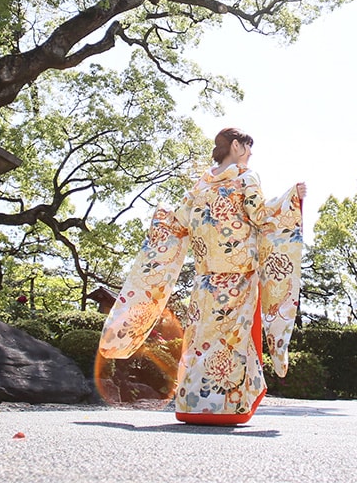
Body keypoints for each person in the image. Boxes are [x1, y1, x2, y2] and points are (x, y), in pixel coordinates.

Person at [99, 128, 306, 425]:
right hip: (237, 278)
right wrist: (291, 198)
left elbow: (178, 224)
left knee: (199, 342)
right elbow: (262, 216)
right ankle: (225, 408)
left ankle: (193, 405)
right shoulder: (247, 178)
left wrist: (161, 216)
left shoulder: (199, 186)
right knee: (231, 343)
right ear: (236, 146)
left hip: (205, 280)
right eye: (247, 149)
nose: (249, 156)